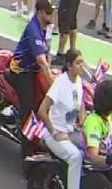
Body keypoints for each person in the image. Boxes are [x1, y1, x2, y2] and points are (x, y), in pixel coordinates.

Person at [6, 0, 56, 163]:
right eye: (49, 13)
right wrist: (54, 87)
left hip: (35, 69)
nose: (52, 16)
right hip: (22, 71)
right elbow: (41, 61)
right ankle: (27, 157)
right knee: (29, 111)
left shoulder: (47, 27)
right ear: (40, 13)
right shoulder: (34, 29)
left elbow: (47, 55)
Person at [39, 49, 87, 189]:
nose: (82, 65)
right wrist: (54, 132)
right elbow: (42, 111)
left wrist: (83, 122)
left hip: (71, 132)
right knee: (76, 157)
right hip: (56, 135)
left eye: (82, 62)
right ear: (69, 65)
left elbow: (81, 103)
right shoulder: (60, 84)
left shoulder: (78, 81)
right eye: (78, 63)